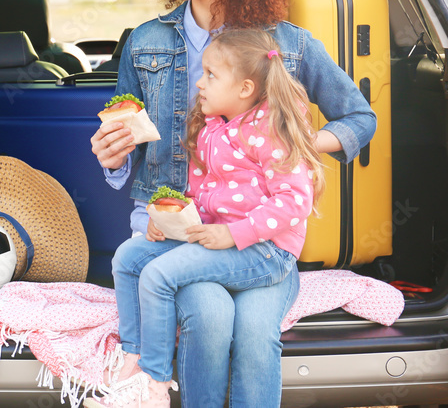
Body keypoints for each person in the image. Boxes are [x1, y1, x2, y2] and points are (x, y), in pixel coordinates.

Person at [89, 0, 376, 407]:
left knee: (249, 331)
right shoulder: (145, 42)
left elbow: (360, 118)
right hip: (171, 230)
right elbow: (126, 143)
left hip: (253, 236)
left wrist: (300, 143)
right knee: (210, 315)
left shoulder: (287, 44)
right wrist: (114, 157)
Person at [105, 29, 325, 407]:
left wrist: (234, 233)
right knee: (127, 257)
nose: (199, 83)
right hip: (222, 242)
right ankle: (134, 359)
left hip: (265, 251)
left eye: (210, 75)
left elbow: (295, 201)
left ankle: (152, 387)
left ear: (244, 89)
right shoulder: (211, 128)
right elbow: (204, 199)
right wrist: (169, 219)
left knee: (160, 276)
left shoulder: (268, 128)